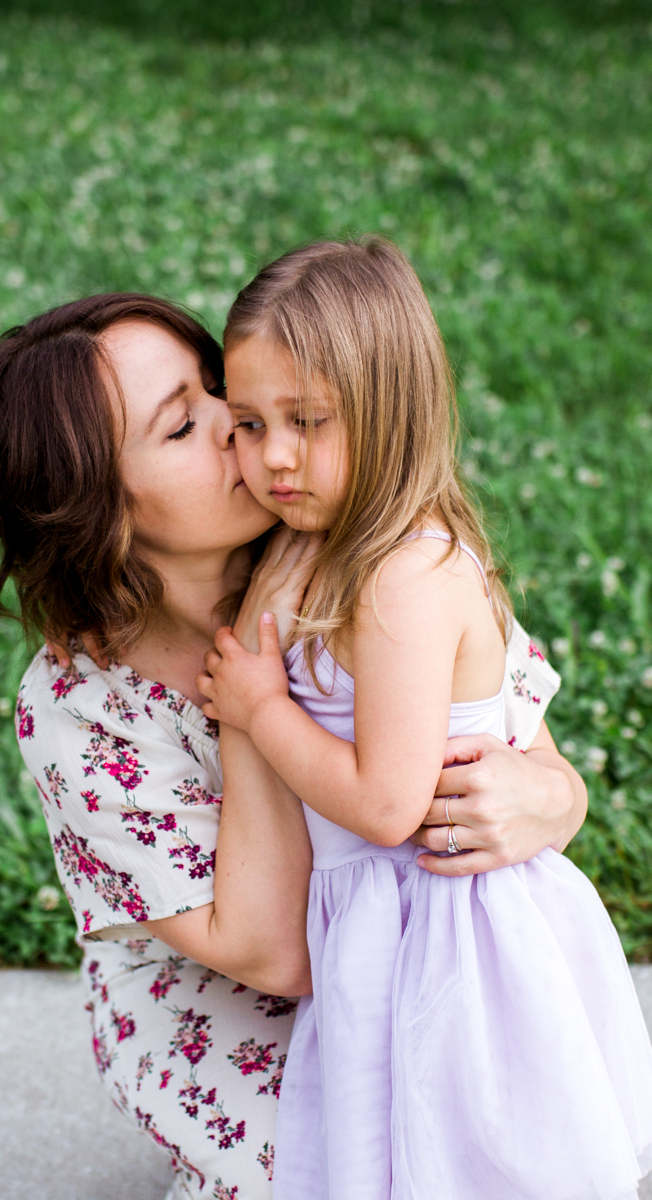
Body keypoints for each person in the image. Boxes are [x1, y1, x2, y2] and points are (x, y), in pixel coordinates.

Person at [0, 289, 589, 1200]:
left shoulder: (357, 538)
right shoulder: (80, 709)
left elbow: (536, 754)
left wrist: (551, 798)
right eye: (180, 427)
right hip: (233, 1015)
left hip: (412, 950)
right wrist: (254, 669)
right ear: (101, 515)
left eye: (215, 387)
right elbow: (278, 952)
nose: (236, 425)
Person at [198, 236, 652, 1199]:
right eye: (246, 421)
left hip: (453, 934)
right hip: (383, 928)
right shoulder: (319, 545)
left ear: (392, 410)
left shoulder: (406, 572)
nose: (272, 455)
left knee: (473, 1156)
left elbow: (389, 805)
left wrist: (262, 707)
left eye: (308, 420)